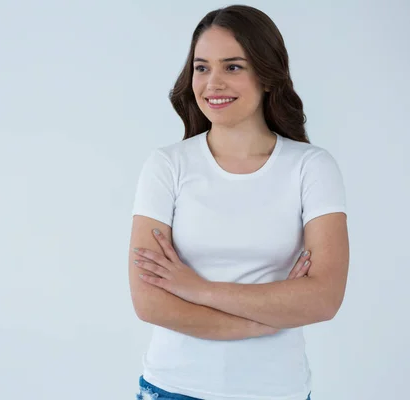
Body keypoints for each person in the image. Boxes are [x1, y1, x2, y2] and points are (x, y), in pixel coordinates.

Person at [128, 4, 349, 400]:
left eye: (232, 67)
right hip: (173, 388)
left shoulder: (311, 168)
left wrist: (195, 288)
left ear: (267, 74)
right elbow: (150, 303)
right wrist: (263, 321)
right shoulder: (166, 166)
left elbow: (323, 298)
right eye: (201, 67)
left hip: (277, 390)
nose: (213, 83)